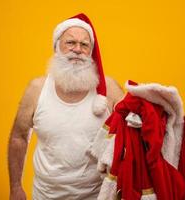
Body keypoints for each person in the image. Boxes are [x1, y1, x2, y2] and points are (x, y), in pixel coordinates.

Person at [8, 13, 124, 200]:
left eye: (84, 45)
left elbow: (133, 136)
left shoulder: (109, 90)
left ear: (91, 52)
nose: (77, 49)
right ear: (57, 48)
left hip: (98, 196)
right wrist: (15, 187)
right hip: (45, 195)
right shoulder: (36, 90)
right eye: (70, 43)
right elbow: (19, 138)